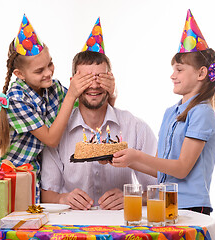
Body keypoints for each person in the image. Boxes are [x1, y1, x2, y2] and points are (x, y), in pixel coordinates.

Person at [111, 10, 215, 215]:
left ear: (201, 73)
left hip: (191, 207)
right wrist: (127, 160)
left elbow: (181, 168)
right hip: (165, 203)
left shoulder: (202, 113)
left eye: (179, 69)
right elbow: (161, 170)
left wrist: (137, 155)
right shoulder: (170, 112)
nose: (172, 75)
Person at [0, 15, 115, 203]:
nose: (48, 72)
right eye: (39, 71)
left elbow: (87, 110)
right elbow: (51, 139)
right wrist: (72, 94)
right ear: (19, 74)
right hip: (10, 175)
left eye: (50, 64)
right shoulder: (16, 99)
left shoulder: (53, 89)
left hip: (35, 175)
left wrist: (109, 93)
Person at [41, 18, 158, 210]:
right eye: (86, 79)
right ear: (72, 82)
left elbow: (159, 187)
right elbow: (47, 192)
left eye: (100, 78)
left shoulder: (136, 128)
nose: (94, 85)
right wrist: (63, 199)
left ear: (111, 80)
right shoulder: (58, 131)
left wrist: (133, 197)